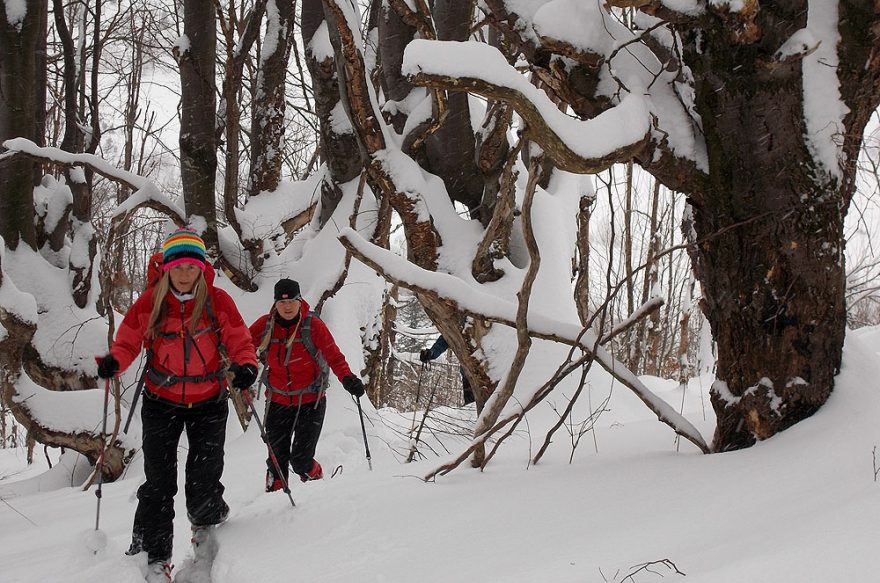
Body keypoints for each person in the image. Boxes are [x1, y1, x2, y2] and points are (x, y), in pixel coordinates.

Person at [96, 227, 258, 582]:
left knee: (203, 478)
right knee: (159, 482)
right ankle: (155, 555)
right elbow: (128, 341)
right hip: (161, 401)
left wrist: (247, 365)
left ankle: (208, 518)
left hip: (208, 402)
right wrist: (114, 361)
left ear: (201, 269)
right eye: (178, 267)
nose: (185, 274)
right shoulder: (152, 301)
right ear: (167, 268)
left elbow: (240, 339)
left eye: (191, 267)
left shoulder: (217, 301)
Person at [249, 278, 365, 492]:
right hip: (277, 402)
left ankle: (314, 483)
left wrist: (348, 378)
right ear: (275, 303)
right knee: (276, 462)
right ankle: (273, 506)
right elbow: (242, 347)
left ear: (299, 300)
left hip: (310, 403)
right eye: (282, 302)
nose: (287, 306)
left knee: (301, 461)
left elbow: (334, 356)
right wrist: (240, 368)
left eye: (291, 301)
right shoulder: (266, 325)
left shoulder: (312, 326)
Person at [419, 336, 475, 405]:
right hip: (468, 374)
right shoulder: (459, 326)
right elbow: (445, 339)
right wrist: (431, 353)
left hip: (489, 371)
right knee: (472, 408)